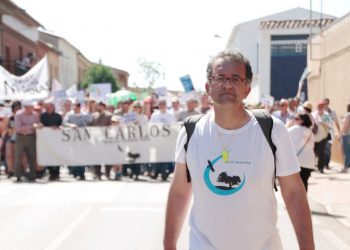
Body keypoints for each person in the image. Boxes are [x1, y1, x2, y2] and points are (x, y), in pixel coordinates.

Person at [164, 50, 314, 250]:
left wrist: (307, 247)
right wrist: (169, 244)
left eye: (235, 78)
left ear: (247, 89)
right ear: (208, 87)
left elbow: (294, 192)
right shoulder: (190, 132)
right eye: (220, 78)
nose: (227, 84)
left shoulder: (272, 130)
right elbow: (180, 193)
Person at [288, 113, 316, 192]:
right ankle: (304, 201)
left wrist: (288, 124)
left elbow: (282, 132)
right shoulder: (310, 132)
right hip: (310, 161)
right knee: (304, 182)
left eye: (296, 118)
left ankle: (296, 202)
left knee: (295, 184)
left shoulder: (295, 129)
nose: (294, 120)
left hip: (299, 161)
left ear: (302, 121)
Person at [14, 100, 40, 182]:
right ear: (25, 107)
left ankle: (32, 175)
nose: (31, 109)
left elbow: (37, 125)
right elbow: (18, 128)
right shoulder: (18, 114)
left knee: (32, 157)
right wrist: (31, 127)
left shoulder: (35, 115)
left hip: (31, 137)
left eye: (32, 107)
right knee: (18, 156)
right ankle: (18, 175)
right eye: (29, 107)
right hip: (20, 137)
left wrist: (37, 126)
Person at [39, 100, 63, 180]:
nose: (49, 108)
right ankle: (51, 173)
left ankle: (57, 173)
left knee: (57, 156)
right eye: (47, 107)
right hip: (46, 141)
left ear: (54, 108)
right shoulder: (42, 116)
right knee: (48, 156)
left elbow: (62, 125)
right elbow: (40, 125)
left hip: (56, 140)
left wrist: (58, 127)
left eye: (51, 107)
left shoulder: (58, 116)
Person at [312, 101, 332, 173]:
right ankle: (312, 166)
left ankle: (321, 168)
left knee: (321, 153)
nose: (320, 107)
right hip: (314, 138)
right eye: (319, 106)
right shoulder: (313, 114)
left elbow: (329, 126)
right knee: (313, 153)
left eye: (321, 106)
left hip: (323, 137)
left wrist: (323, 123)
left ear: (323, 107)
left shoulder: (326, 115)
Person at [339, 103, 350, 173]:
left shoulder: (348, 115)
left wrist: (340, 134)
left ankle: (345, 167)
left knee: (346, 152)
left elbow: (346, 125)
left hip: (347, 135)